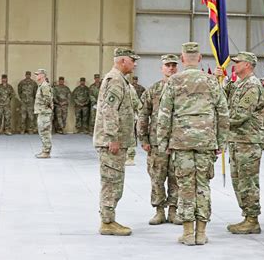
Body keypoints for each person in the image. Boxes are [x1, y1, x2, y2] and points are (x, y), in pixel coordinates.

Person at [157, 42, 229, 246]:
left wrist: (163, 143)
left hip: (181, 142)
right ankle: (202, 233)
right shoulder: (211, 81)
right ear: (199, 59)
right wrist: (221, 142)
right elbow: (223, 113)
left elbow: (164, 115)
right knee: (203, 186)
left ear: (181, 59)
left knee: (186, 186)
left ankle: (188, 233)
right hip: (206, 141)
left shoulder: (174, 81)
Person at [93, 48, 140, 236]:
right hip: (111, 142)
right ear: (122, 61)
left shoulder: (122, 80)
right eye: (132, 61)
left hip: (117, 141)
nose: (135, 64)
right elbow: (109, 110)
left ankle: (109, 219)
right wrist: (113, 138)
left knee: (115, 182)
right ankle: (107, 222)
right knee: (111, 182)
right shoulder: (115, 80)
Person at [223, 52, 264, 235]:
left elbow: (240, 115)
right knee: (238, 181)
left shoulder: (252, 86)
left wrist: (219, 120)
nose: (235, 65)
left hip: (248, 141)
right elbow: (224, 99)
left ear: (248, 65)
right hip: (237, 139)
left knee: (247, 182)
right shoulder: (239, 84)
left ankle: (252, 219)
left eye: (238, 62)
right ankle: (247, 215)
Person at [137, 54, 181, 225]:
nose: (170, 68)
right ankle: (159, 210)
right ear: (161, 68)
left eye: (173, 65)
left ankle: (173, 210)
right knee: (157, 176)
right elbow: (143, 114)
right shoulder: (154, 90)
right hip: (157, 142)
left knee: (176, 177)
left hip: (177, 142)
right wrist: (143, 138)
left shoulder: (182, 89)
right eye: (167, 65)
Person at [34, 69, 53, 159]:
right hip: (42, 112)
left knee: (45, 132)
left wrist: (44, 108)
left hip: (44, 112)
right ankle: (44, 150)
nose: (36, 76)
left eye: (37, 74)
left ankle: (46, 152)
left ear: (42, 75)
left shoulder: (44, 85)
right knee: (42, 132)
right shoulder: (41, 85)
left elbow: (47, 99)